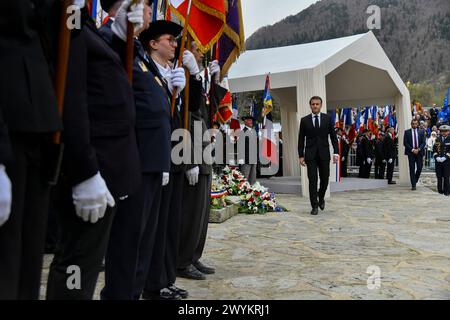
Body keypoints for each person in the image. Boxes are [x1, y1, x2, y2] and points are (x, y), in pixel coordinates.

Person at [46, 2, 143, 299]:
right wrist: (84, 171)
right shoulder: (67, 20)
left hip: (108, 168)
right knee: (77, 264)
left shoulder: (84, 27)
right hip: (91, 167)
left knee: (85, 263)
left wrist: (120, 38)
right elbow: (71, 100)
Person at [0, 0, 65, 299]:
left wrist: (73, 13)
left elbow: (61, 40)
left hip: (41, 125)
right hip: (8, 128)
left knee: (30, 249)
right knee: (7, 252)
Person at [137, 21, 197, 300]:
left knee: (169, 223)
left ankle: (165, 277)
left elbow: (188, 115)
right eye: (169, 40)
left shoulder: (171, 74)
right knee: (155, 227)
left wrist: (189, 84)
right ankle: (153, 282)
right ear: (153, 43)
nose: (175, 44)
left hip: (173, 158)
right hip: (154, 158)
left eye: (176, 40)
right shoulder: (145, 70)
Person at [176, 41, 227, 281]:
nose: (201, 52)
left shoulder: (198, 83)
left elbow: (208, 114)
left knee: (201, 214)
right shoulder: (185, 79)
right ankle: (182, 260)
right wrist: (189, 160)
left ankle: (194, 255)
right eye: (197, 49)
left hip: (204, 153)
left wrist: (216, 82)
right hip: (193, 154)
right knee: (190, 213)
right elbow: (187, 120)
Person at [298, 96, 338, 215]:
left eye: (317, 104)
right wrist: (301, 155)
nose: (315, 106)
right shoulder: (304, 120)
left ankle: (321, 197)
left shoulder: (327, 118)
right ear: (310, 105)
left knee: (325, 179)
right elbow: (301, 139)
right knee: (312, 180)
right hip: (310, 156)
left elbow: (333, 137)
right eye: (313, 104)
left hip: (324, 154)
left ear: (321, 105)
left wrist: (336, 152)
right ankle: (314, 206)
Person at [403, 119, 426, 191]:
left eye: (415, 124)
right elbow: (405, 143)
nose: (414, 125)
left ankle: (415, 180)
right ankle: (413, 185)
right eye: (413, 124)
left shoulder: (422, 132)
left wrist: (418, 149)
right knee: (412, 168)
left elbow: (423, 142)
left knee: (419, 168)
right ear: (411, 124)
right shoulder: (407, 132)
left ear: (417, 124)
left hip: (419, 152)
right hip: (411, 153)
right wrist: (412, 150)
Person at [240, 115, 258, 185]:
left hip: (253, 158)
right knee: (245, 179)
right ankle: (245, 194)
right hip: (246, 159)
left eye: (251, 120)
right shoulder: (243, 132)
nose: (251, 122)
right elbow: (240, 146)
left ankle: (252, 194)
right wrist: (241, 158)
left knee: (253, 179)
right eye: (249, 120)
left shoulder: (253, 132)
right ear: (245, 121)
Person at [433, 125, 450, 196]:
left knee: (446, 176)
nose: (444, 133)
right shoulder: (438, 139)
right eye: (442, 131)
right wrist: (437, 157)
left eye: (445, 131)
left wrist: (445, 157)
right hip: (439, 161)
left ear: (449, 131)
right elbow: (434, 149)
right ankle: (440, 190)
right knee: (439, 176)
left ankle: (447, 191)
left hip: (447, 161)